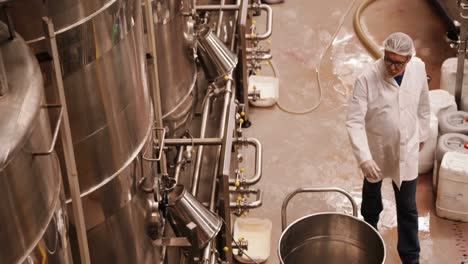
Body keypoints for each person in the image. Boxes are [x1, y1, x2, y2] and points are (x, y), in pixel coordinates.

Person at [346, 32, 430, 264]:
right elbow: (354, 121)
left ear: (409, 60)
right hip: (377, 151)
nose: (392, 67)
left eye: (398, 62)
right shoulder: (367, 78)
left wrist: (422, 133)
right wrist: (364, 158)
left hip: (407, 151)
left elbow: (423, 103)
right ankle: (368, 242)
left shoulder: (418, 69)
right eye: (388, 60)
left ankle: (410, 257)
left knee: (408, 208)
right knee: (371, 202)